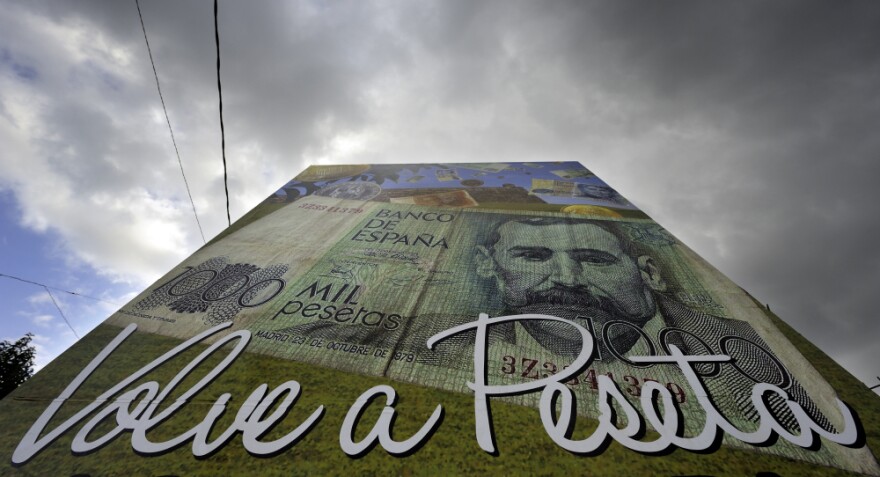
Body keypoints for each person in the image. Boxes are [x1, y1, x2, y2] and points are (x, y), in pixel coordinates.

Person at [474, 216, 665, 358]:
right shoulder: (452, 347)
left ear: (649, 273)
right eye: (533, 256)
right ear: (486, 263)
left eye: (594, 259)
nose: (568, 280)